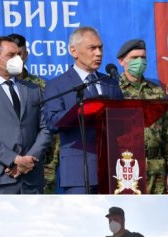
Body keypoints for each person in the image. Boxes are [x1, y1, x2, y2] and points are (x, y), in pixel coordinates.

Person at [43, 27, 124, 194]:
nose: (99, 53)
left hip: (113, 169)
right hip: (78, 170)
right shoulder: (58, 84)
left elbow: (123, 121)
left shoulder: (110, 82)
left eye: (100, 47)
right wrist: (81, 110)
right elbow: (52, 122)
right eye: (92, 48)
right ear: (74, 51)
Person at [0, 36, 51, 194]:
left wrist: (29, 160)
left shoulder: (34, 90)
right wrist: (14, 159)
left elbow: (45, 128)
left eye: (18, 55)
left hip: (31, 179)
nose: (17, 60)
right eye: (11, 55)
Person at [116, 39, 168, 194]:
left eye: (143, 58)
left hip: (156, 167)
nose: (140, 62)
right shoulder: (113, 90)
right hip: (126, 167)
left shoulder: (156, 91)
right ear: (122, 61)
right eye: (135, 58)